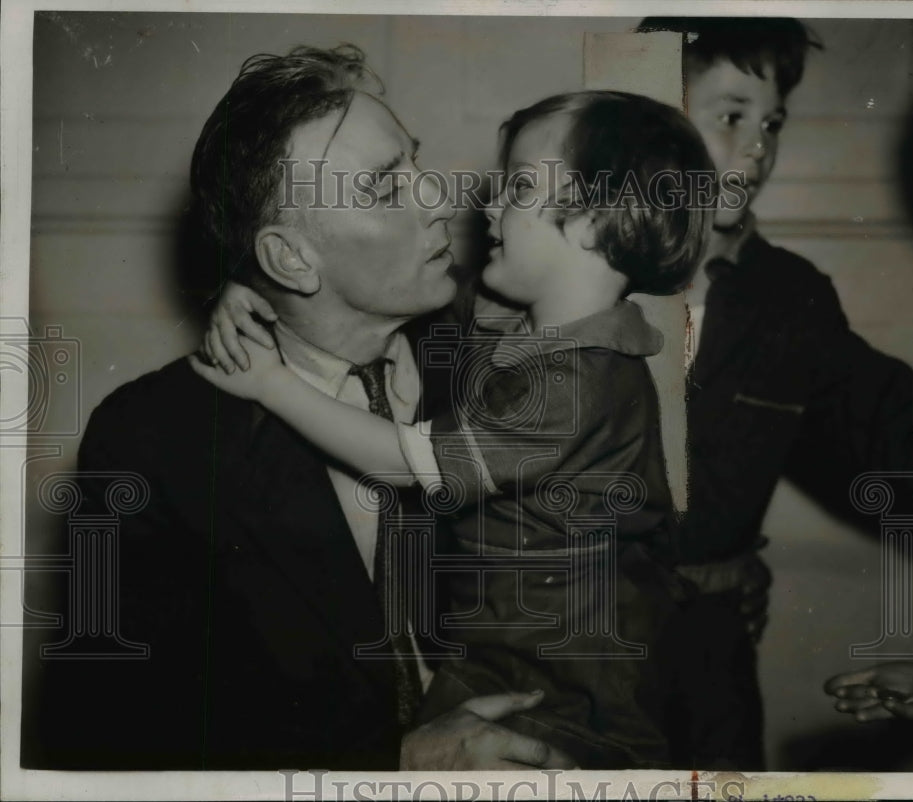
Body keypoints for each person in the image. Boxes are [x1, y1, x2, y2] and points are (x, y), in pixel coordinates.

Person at [23, 45, 577, 771]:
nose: (439, 199)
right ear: (289, 259)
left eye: (417, 163)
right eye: (385, 189)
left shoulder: (495, 355)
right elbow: (110, 744)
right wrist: (396, 765)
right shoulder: (153, 442)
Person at [192, 90, 716, 769]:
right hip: (504, 651)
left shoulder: (578, 380)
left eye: (520, 186)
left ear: (595, 219)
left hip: (568, 684)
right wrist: (261, 289)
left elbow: (409, 463)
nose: (481, 205)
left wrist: (272, 384)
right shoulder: (505, 317)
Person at [635, 17, 913, 768]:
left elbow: (894, 416)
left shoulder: (792, 298)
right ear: (650, 120)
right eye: (730, 116)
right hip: (577, 645)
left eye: (773, 122)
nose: (758, 146)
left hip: (712, 654)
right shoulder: (571, 277)